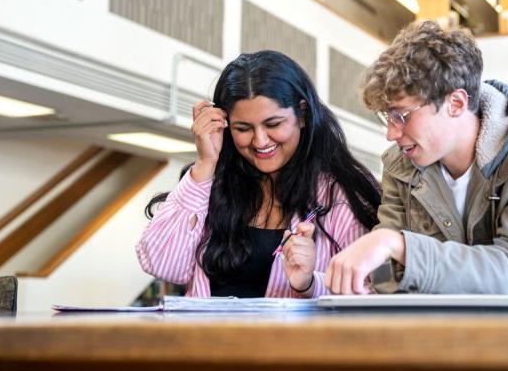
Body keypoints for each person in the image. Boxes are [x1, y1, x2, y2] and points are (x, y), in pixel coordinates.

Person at [324, 20, 508, 311]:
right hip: (450, 338)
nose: (391, 133)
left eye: (401, 116)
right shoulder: (398, 164)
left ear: (455, 103)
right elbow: (382, 278)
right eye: (387, 117)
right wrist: (507, 279)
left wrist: (400, 247)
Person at [137, 50, 380, 298]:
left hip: (292, 338)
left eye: (273, 124)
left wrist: (309, 283)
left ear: (303, 115)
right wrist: (205, 163)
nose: (260, 141)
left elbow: (368, 293)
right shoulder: (213, 183)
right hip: (205, 336)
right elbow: (162, 265)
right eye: (243, 128)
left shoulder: (342, 193)